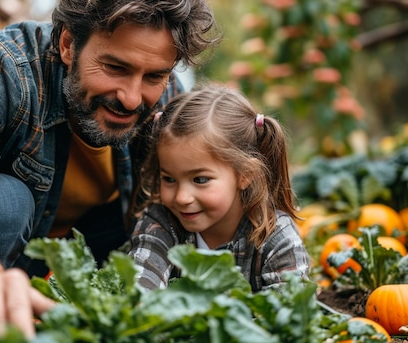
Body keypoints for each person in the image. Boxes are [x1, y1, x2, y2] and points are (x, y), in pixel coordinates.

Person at [0, 0, 218, 339]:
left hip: (87, 259)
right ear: (69, 43)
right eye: (116, 68)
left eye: (153, 77)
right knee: (6, 199)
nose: (131, 98)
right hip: (3, 256)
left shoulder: (168, 105)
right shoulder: (8, 66)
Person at [128, 83, 310, 292]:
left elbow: (290, 309)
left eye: (200, 180)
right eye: (169, 179)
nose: (181, 197)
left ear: (245, 174)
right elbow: (140, 289)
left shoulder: (276, 237)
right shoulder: (160, 223)